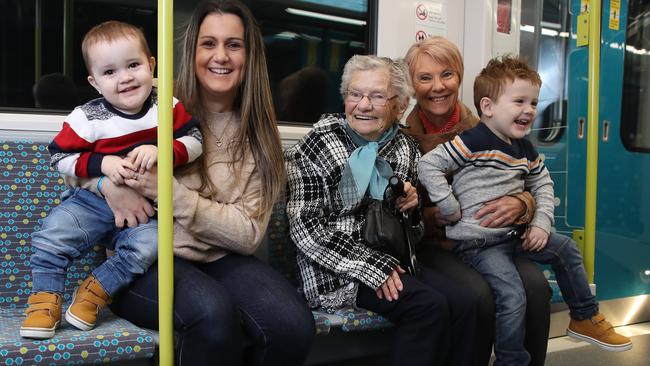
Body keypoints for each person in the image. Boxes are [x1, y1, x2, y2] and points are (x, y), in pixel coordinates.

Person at [85, 2, 315, 365]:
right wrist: (106, 185)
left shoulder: (258, 131)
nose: (220, 56)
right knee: (212, 314)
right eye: (208, 43)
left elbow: (247, 233)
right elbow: (73, 160)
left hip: (221, 257)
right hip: (143, 258)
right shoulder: (150, 102)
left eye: (233, 45)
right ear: (192, 50)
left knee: (292, 326)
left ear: (249, 54)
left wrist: (170, 194)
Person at [419, 55, 632, 365]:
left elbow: (543, 185)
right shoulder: (473, 139)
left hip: (512, 234)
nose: (529, 110)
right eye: (519, 101)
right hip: (479, 242)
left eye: (533, 103)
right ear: (489, 107)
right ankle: (511, 359)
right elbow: (429, 164)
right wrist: (448, 204)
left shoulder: (524, 148)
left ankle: (585, 316)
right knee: (513, 294)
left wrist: (540, 223)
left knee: (566, 249)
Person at [285, 55, 478, 366]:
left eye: (377, 96)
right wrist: (372, 267)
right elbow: (306, 230)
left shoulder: (406, 148)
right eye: (355, 94)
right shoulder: (317, 144)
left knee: (466, 302)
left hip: (392, 260)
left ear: (399, 106)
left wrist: (411, 210)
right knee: (427, 306)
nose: (363, 105)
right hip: (335, 270)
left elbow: (411, 235)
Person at [20, 21, 202, 339]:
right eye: (110, 72)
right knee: (53, 235)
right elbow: (59, 159)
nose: (125, 78)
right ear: (95, 82)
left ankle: (94, 292)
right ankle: (44, 300)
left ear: (151, 65)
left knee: (151, 246)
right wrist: (103, 164)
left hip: (144, 210)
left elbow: (196, 141)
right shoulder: (87, 118)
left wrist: (163, 149)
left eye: (133, 65)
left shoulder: (166, 107)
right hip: (93, 200)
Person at [403, 36, 552, 365]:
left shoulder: (487, 124)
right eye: (425, 78)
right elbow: (393, 209)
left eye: (447, 75)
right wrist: (432, 216)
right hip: (436, 243)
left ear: (459, 77)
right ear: (412, 85)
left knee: (538, 290)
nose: (438, 86)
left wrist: (523, 204)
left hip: (495, 237)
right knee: (478, 296)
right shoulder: (403, 137)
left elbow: (533, 177)